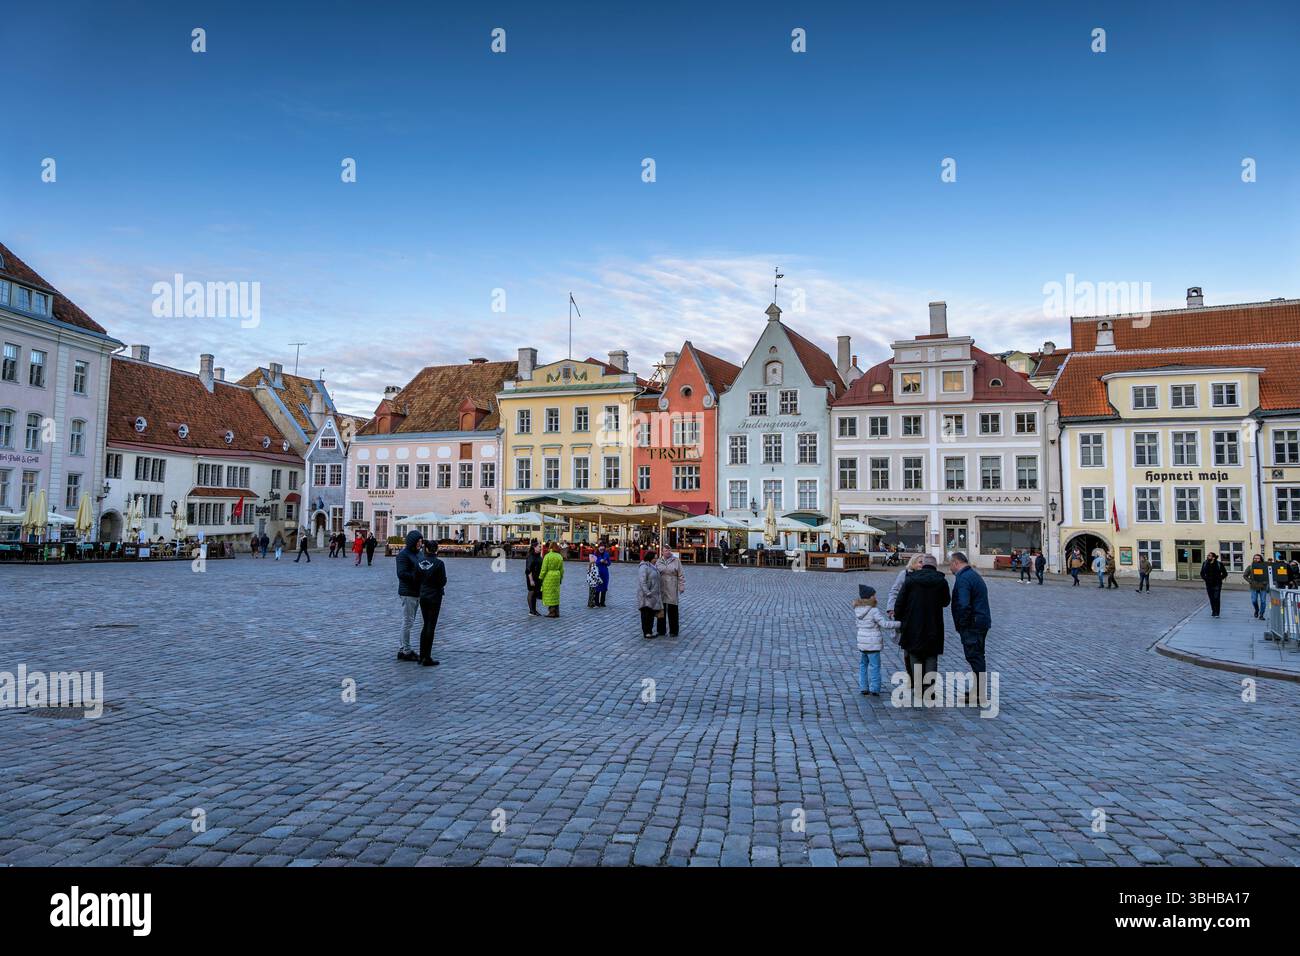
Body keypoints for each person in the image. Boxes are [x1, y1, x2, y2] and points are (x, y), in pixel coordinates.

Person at [893, 553, 950, 699]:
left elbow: (900, 602)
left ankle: (918, 688)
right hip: (934, 624)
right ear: (935, 566)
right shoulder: (941, 581)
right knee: (931, 656)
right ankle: (929, 690)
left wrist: (899, 619)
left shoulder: (911, 579)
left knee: (915, 655)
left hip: (913, 624)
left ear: (923, 565)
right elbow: (945, 601)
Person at [949, 552, 991, 702]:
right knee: (976, 656)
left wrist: (962, 623)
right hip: (979, 621)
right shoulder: (972, 575)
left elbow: (964, 604)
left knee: (975, 657)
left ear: (956, 563)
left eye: (950, 565)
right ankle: (977, 690)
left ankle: (979, 694)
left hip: (973, 624)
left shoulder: (964, 579)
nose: (950, 568)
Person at [853, 584, 900, 697]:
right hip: (873, 643)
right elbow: (884, 624)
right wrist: (899, 623)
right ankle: (875, 688)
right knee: (875, 666)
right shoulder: (873, 610)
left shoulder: (857, 609)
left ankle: (863, 687)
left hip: (862, 643)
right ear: (869, 597)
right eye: (874, 595)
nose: (875, 597)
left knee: (863, 665)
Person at [415, 540, 445, 667]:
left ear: (426, 549)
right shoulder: (439, 563)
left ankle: (422, 655)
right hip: (435, 596)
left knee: (425, 623)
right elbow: (442, 581)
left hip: (423, 595)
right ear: (436, 550)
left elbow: (415, 578)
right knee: (430, 626)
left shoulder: (419, 562)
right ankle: (427, 657)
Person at [394, 529, 423, 661]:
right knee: (408, 621)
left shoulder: (419, 553)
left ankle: (403, 648)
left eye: (421, 541)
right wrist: (416, 576)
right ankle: (405, 650)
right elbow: (401, 574)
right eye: (418, 541)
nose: (420, 544)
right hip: (408, 592)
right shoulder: (403, 555)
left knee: (409, 621)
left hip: (417, 591)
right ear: (412, 542)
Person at [656, 545, 685, 637]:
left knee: (673, 609)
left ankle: (674, 630)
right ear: (662, 552)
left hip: (672, 586)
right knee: (661, 609)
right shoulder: (658, 561)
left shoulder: (676, 561)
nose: (668, 552)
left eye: (669, 550)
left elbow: (681, 574)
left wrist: (681, 586)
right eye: (666, 550)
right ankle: (661, 630)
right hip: (661, 586)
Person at [887, 553, 925, 618]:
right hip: (904, 611)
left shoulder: (926, 576)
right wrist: (891, 608)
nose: (923, 565)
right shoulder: (904, 574)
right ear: (913, 563)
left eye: (924, 563)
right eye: (920, 562)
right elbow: (895, 591)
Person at [637, 549, 663, 639]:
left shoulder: (653, 566)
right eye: (655, 558)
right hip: (646, 595)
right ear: (650, 558)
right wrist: (647, 592)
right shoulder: (643, 567)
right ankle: (646, 632)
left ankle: (650, 632)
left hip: (653, 595)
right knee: (646, 614)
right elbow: (642, 581)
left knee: (651, 614)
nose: (656, 559)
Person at [539, 541, 564, 617]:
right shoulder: (559, 556)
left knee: (549, 594)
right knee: (555, 593)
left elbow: (544, 569)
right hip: (557, 575)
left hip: (549, 576)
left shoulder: (547, 556)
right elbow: (562, 569)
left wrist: (541, 577)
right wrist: (560, 578)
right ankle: (557, 612)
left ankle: (552, 612)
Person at [1200, 552, 1228, 618]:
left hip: (1217, 584)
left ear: (1213, 557)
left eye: (1209, 556)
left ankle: (1217, 613)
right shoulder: (1205, 563)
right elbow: (1201, 573)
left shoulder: (1219, 564)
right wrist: (1205, 579)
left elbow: (1225, 573)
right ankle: (1213, 611)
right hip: (1208, 584)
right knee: (1211, 598)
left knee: (1216, 598)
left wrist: (1219, 579)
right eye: (1207, 555)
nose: (1208, 557)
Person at [1245, 553, 1270, 619]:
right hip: (1254, 586)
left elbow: (1269, 576)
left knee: (1263, 601)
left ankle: (1261, 614)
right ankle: (1256, 610)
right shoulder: (1250, 567)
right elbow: (1245, 575)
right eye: (1255, 558)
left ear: (1261, 559)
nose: (1256, 559)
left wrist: (1266, 582)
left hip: (1263, 586)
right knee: (1254, 600)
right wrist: (1251, 581)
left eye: (1257, 558)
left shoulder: (1265, 567)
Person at [524, 541, 543, 615]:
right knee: (531, 592)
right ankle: (531, 610)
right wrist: (531, 580)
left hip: (538, 577)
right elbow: (528, 569)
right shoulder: (531, 556)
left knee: (535, 593)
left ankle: (534, 610)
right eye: (539, 546)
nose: (540, 548)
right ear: (534, 547)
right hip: (532, 577)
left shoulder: (538, 556)